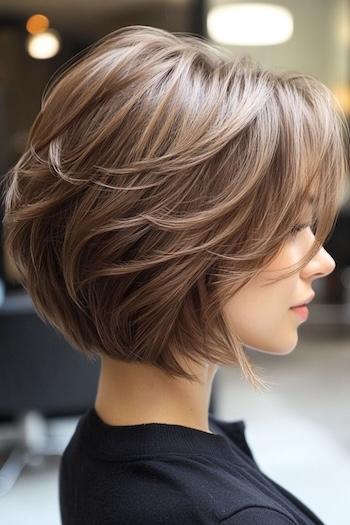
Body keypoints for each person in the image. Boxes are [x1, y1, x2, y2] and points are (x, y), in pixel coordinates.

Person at [1, 25, 349, 525]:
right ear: (176, 243)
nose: (322, 260)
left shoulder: (96, 448)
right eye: (291, 225)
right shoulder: (229, 516)